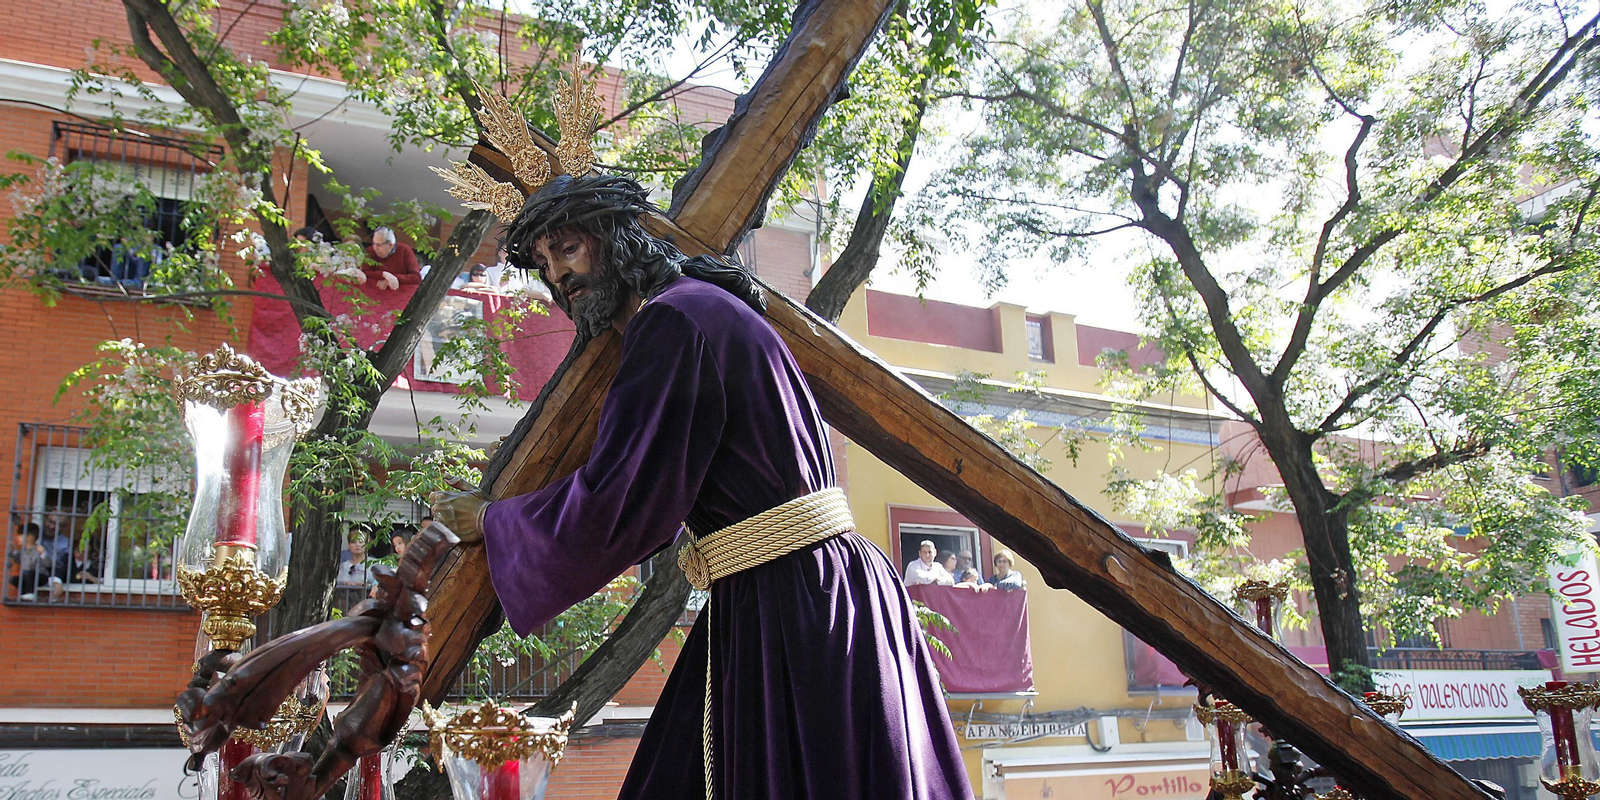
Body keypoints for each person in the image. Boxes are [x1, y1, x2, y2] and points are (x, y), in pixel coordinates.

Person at [429, 174, 971, 800]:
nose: (559, 278)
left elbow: (623, 500)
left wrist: (495, 521)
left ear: (613, 239)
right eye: (546, 266)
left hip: (788, 601)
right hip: (819, 586)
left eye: (568, 250)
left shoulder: (673, 323)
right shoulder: (704, 308)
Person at [8, 524, 44, 601]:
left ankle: (31, 593)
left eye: (21, 535)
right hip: (27, 575)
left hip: (40, 575)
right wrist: (12, 551)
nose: (18, 538)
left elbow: (46, 563)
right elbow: (18, 560)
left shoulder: (37, 549)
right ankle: (24, 594)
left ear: (30, 537)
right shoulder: (23, 550)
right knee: (14, 579)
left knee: (27, 572)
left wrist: (43, 554)